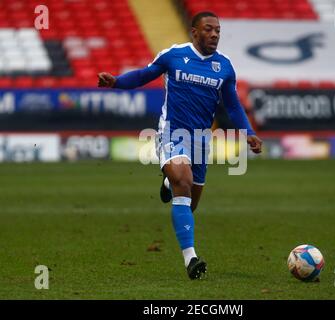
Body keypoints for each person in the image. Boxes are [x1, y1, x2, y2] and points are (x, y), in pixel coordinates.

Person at [97, 11, 263, 280]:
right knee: (183, 182)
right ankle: (191, 259)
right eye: (208, 30)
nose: (214, 35)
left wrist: (248, 132)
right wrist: (116, 82)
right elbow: (143, 75)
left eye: (218, 31)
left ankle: (167, 183)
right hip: (172, 131)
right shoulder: (173, 55)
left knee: (188, 201)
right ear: (194, 33)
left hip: (201, 139)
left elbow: (231, 105)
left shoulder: (225, 66)